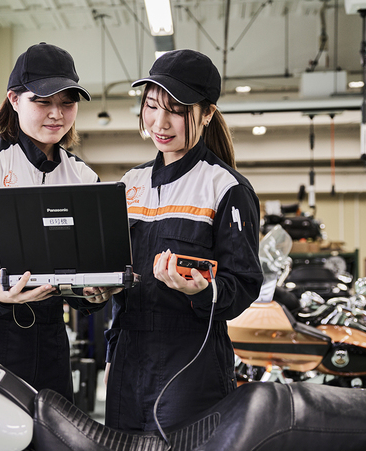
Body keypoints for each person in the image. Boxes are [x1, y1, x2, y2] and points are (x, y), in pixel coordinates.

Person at [0, 42, 115, 401]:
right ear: (14, 100)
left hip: (48, 339)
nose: (57, 114)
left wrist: (94, 293)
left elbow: (85, 267)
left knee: (50, 447)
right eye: (42, 101)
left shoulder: (81, 177)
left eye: (67, 102)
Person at [104, 49, 263, 431]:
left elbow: (243, 284)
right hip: (128, 359)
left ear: (207, 114)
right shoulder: (129, 184)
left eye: (176, 110)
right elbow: (112, 272)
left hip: (191, 364)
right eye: (152, 106)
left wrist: (200, 290)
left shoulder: (225, 188)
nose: (160, 122)